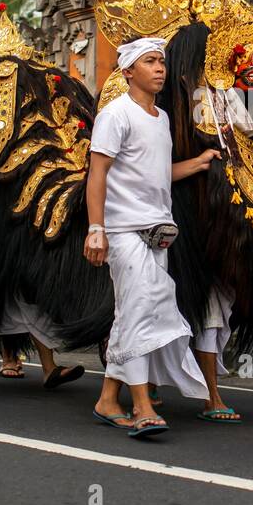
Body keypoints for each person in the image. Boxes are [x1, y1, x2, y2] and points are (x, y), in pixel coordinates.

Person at [84, 37, 216, 437]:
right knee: (141, 309)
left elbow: (158, 175)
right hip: (123, 231)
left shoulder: (160, 118)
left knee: (135, 312)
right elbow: (98, 174)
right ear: (128, 71)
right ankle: (141, 405)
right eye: (150, 62)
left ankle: (108, 398)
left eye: (161, 61)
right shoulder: (115, 114)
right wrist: (96, 229)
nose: (160, 68)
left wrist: (197, 163)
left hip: (159, 232)